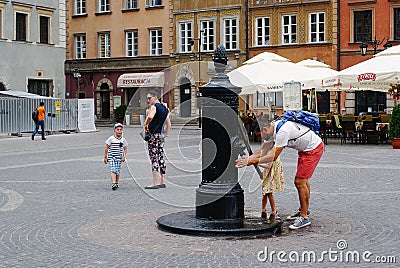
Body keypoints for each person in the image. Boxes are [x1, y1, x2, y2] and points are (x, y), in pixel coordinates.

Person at [236, 117, 324, 230]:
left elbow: (273, 157)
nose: (261, 138)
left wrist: (251, 161)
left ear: (264, 129)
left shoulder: (282, 132)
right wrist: (248, 159)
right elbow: (261, 151)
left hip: (313, 149)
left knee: (300, 181)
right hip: (305, 149)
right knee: (303, 180)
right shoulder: (273, 130)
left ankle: (304, 216)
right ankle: (304, 209)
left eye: (260, 135)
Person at [143, 91, 171, 189]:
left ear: (155, 97)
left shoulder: (155, 107)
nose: (148, 100)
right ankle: (162, 181)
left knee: (153, 157)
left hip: (153, 135)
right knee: (161, 157)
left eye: (149, 98)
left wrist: (145, 124)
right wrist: (165, 135)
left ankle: (155, 183)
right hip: (161, 135)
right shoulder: (165, 108)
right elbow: (169, 124)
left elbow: (150, 117)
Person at [257, 139, 284, 222]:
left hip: (271, 175)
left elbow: (268, 166)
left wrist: (257, 163)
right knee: (265, 193)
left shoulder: (272, 153)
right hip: (269, 174)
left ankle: (273, 211)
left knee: (268, 192)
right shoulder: (272, 151)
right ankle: (263, 210)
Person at [104, 123, 128, 190]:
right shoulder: (111, 139)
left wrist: (123, 156)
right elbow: (106, 148)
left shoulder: (123, 140)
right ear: (114, 130)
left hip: (119, 157)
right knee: (113, 169)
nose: (119, 131)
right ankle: (113, 183)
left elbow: (125, 149)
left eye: (120, 130)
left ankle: (116, 183)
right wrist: (105, 157)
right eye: (117, 129)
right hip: (111, 157)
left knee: (117, 171)